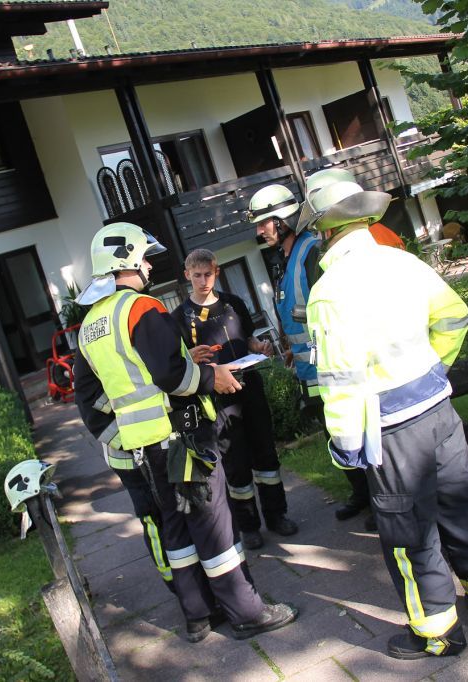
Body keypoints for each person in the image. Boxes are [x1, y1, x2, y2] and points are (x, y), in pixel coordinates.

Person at [305, 180, 468, 659]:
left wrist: (344, 444)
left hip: (390, 430)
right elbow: (455, 316)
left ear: (325, 231)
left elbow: (340, 380)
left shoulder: (328, 291)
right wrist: (435, 366)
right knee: (464, 507)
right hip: (438, 408)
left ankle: (438, 632)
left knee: (408, 533)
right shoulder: (402, 261)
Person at [71, 222, 298, 642]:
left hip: (144, 446)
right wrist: (214, 377)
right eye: (145, 259)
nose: (149, 267)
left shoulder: (90, 325)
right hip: (183, 437)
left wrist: (122, 433)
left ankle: (197, 616)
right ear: (128, 262)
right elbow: (172, 375)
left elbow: (91, 395)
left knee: (176, 529)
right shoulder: (142, 308)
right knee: (214, 525)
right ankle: (247, 612)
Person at [249, 168, 406, 528]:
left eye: (264, 223)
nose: (259, 231)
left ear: (285, 219)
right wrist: (292, 348)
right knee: (337, 436)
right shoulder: (284, 261)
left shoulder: (311, 253)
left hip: (333, 367)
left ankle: (383, 504)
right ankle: (363, 497)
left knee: (358, 431)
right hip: (310, 369)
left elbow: (333, 309)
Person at [172, 248, 299, 550]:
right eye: (197, 275)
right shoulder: (179, 318)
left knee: (266, 455)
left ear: (217, 272)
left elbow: (248, 338)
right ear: (187, 274)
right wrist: (190, 357)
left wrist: (259, 344)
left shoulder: (234, 303)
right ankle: (248, 525)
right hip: (218, 399)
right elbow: (177, 364)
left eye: (209, 274)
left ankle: (277, 515)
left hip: (251, 387)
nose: (203, 281)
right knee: (236, 462)